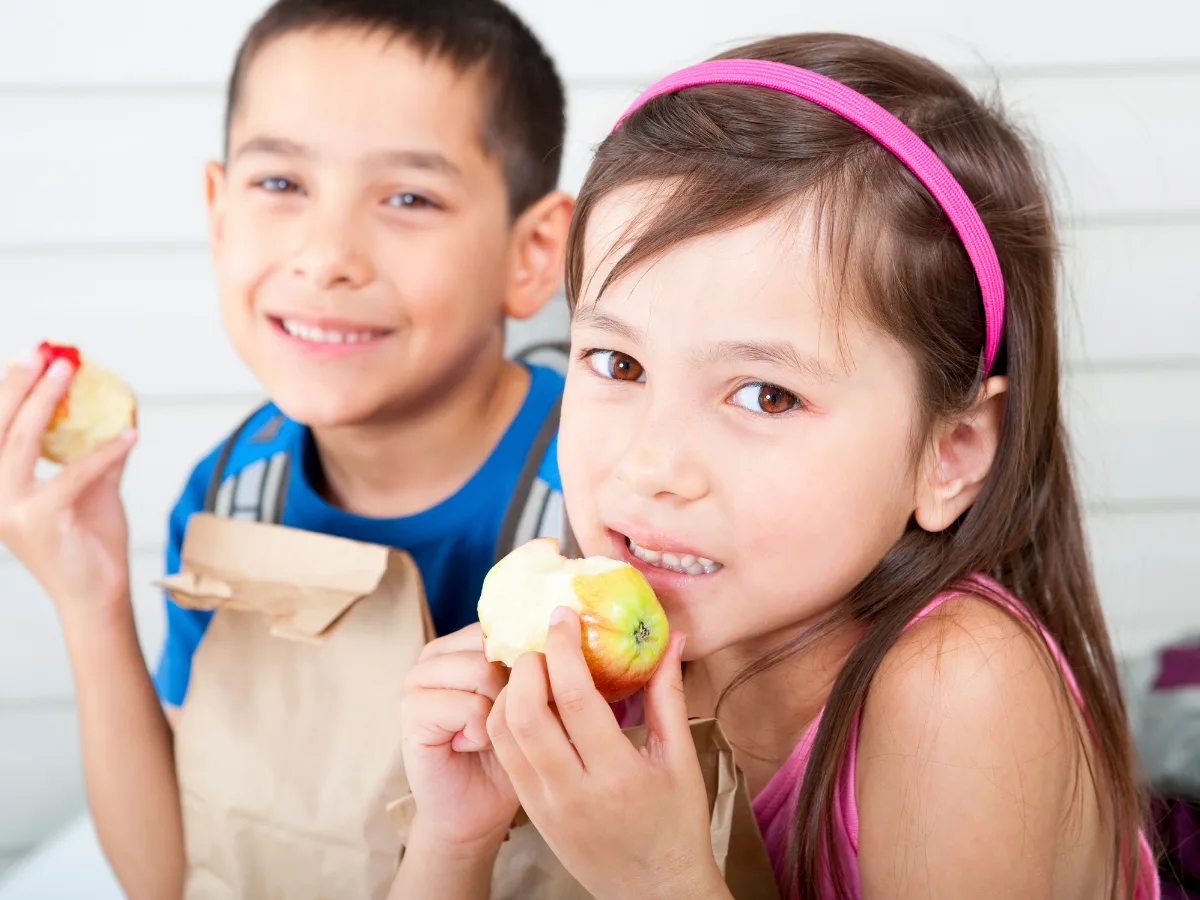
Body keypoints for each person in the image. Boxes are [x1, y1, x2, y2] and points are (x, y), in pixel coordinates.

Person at [394, 32, 1161, 900]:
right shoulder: (613, 664)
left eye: (766, 396)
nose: (652, 466)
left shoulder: (959, 688)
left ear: (952, 453)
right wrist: (454, 838)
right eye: (618, 365)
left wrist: (661, 877)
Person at [0, 1, 572, 896]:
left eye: (409, 197)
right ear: (218, 211)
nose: (326, 256)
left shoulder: (610, 486)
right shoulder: (235, 493)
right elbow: (169, 874)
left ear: (531, 251)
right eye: (280, 185)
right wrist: (90, 595)